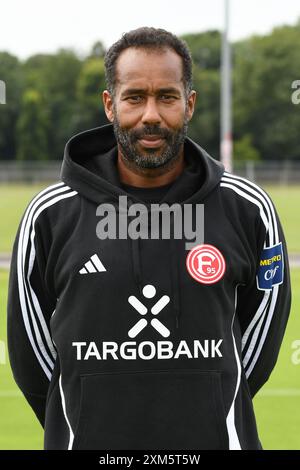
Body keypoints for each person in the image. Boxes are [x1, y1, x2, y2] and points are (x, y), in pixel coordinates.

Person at [7, 27, 291, 450]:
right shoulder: (49, 215)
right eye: (135, 97)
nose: (151, 115)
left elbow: (259, 346)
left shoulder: (248, 209)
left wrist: (207, 401)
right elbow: (34, 361)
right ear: (110, 105)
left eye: (168, 97)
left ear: (189, 104)